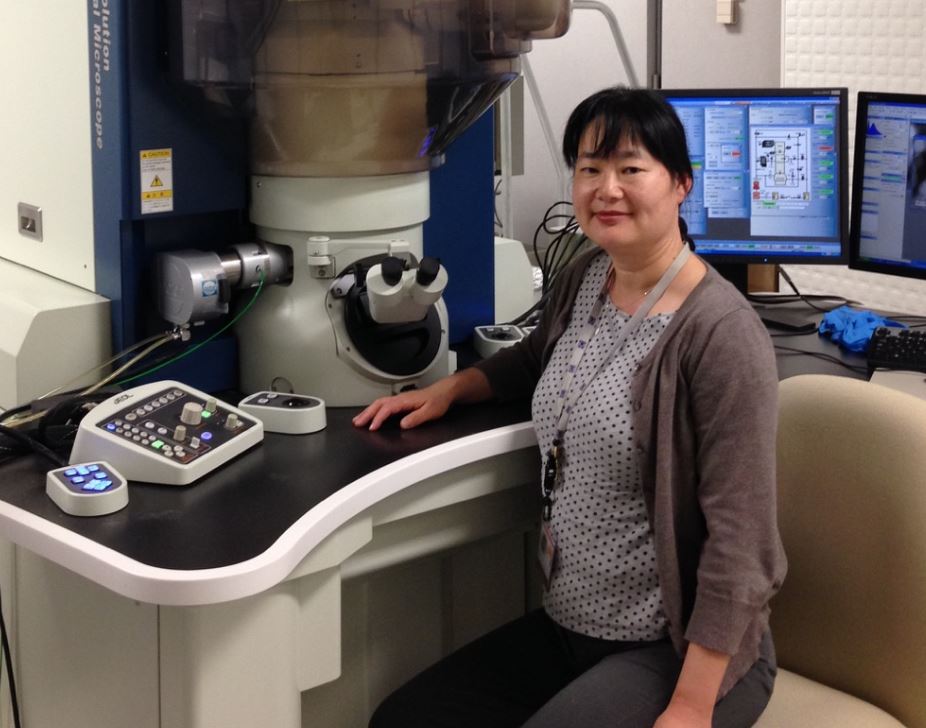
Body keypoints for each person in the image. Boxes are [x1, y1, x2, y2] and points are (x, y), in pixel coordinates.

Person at [353, 86, 786, 728]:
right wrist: (450, 388)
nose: (606, 188)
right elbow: (535, 360)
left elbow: (743, 548)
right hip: (572, 627)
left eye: (631, 168)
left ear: (681, 185)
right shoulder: (588, 275)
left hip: (675, 649)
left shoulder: (720, 334)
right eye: (589, 169)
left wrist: (691, 707)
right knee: (405, 719)